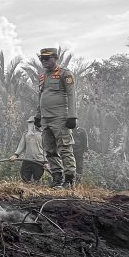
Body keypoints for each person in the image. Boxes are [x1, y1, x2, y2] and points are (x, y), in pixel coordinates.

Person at [33, 47, 77, 188]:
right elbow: (41, 97)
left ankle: (69, 180)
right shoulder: (42, 76)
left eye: (47, 58)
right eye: (42, 59)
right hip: (46, 119)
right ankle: (57, 178)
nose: (44, 61)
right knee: (50, 150)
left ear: (55, 58)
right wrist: (38, 116)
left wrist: (72, 116)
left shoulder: (65, 74)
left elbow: (71, 95)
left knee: (65, 148)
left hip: (60, 118)